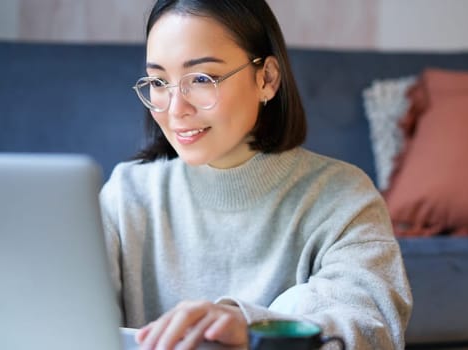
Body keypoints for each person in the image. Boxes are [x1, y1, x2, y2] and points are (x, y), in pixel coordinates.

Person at [99, 0, 413, 349]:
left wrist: (250, 328)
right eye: (159, 81)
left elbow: (369, 326)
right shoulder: (125, 195)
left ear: (266, 79)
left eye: (202, 78)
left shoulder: (344, 199)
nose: (175, 109)